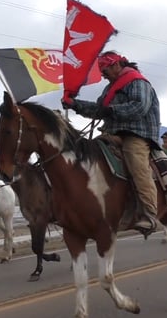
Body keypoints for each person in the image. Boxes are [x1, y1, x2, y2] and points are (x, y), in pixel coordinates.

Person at [61, 50, 160, 236]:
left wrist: (111, 111)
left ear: (116, 65)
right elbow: (100, 110)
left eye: (104, 70)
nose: (103, 75)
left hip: (136, 134)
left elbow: (140, 106)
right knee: (87, 154)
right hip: (112, 133)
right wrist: (74, 104)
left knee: (136, 163)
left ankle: (149, 214)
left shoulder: (137, 81)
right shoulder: (110, 89)